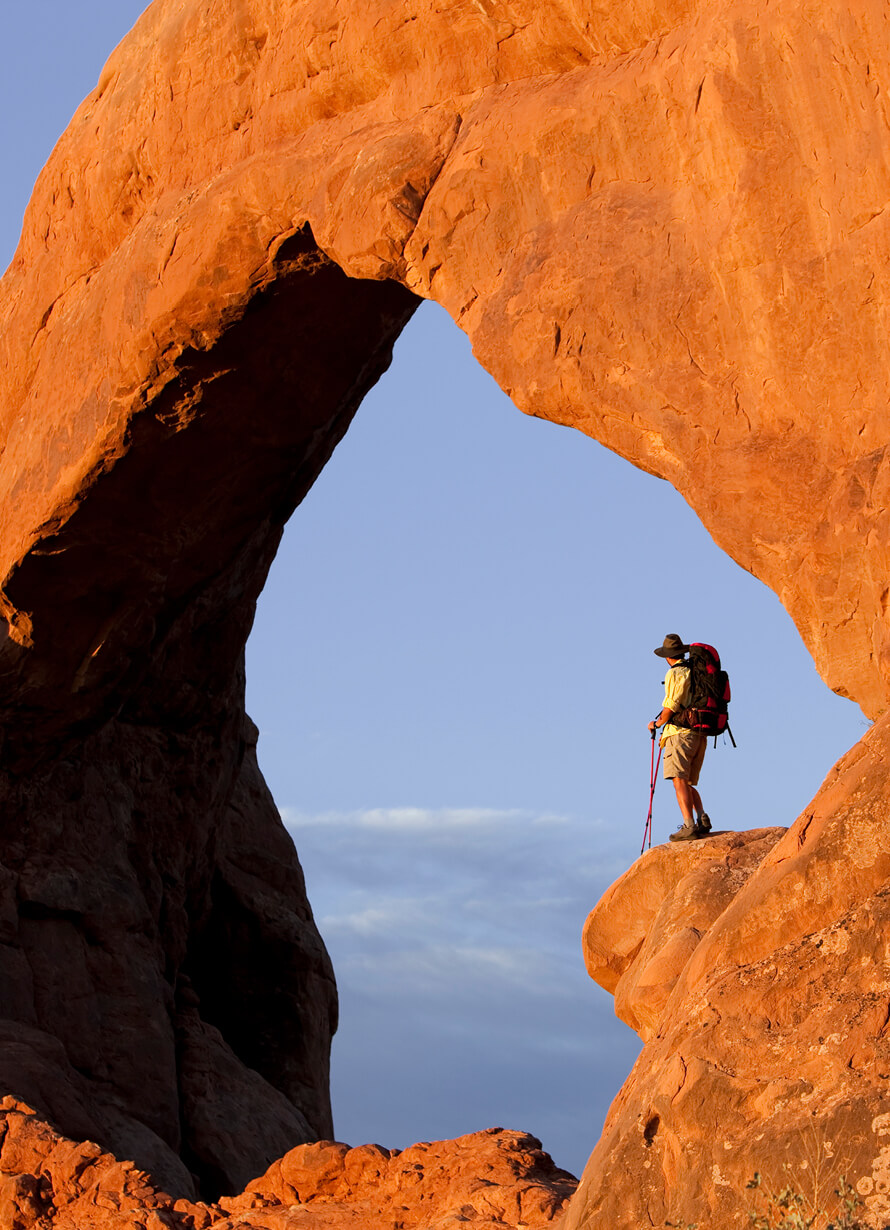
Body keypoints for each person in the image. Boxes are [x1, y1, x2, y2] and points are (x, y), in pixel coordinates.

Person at [647, 633, 712, 842]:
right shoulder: (694, 671)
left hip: (680, 733)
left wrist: (657, 723)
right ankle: (702, 818)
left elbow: (672, 705)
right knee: (687, 781)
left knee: (679, 780)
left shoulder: (675, 673)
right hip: (699, 732)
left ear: (668, 657)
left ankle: (689, 825)